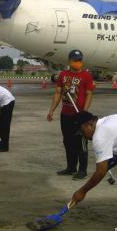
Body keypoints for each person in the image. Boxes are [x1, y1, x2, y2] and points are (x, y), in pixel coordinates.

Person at [47, 49, 94, 179]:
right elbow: (58, 93)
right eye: (75, 60)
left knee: (80, 142)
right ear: (69, 61)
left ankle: (82, 170)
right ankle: (71, 167)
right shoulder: (63, 75)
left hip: (79, 115)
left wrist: (84, 112)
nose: (78, 63)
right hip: (66, 114)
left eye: (79, 60)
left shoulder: (86, 76)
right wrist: (52, 110)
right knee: (68, 142)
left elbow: (89, 94)